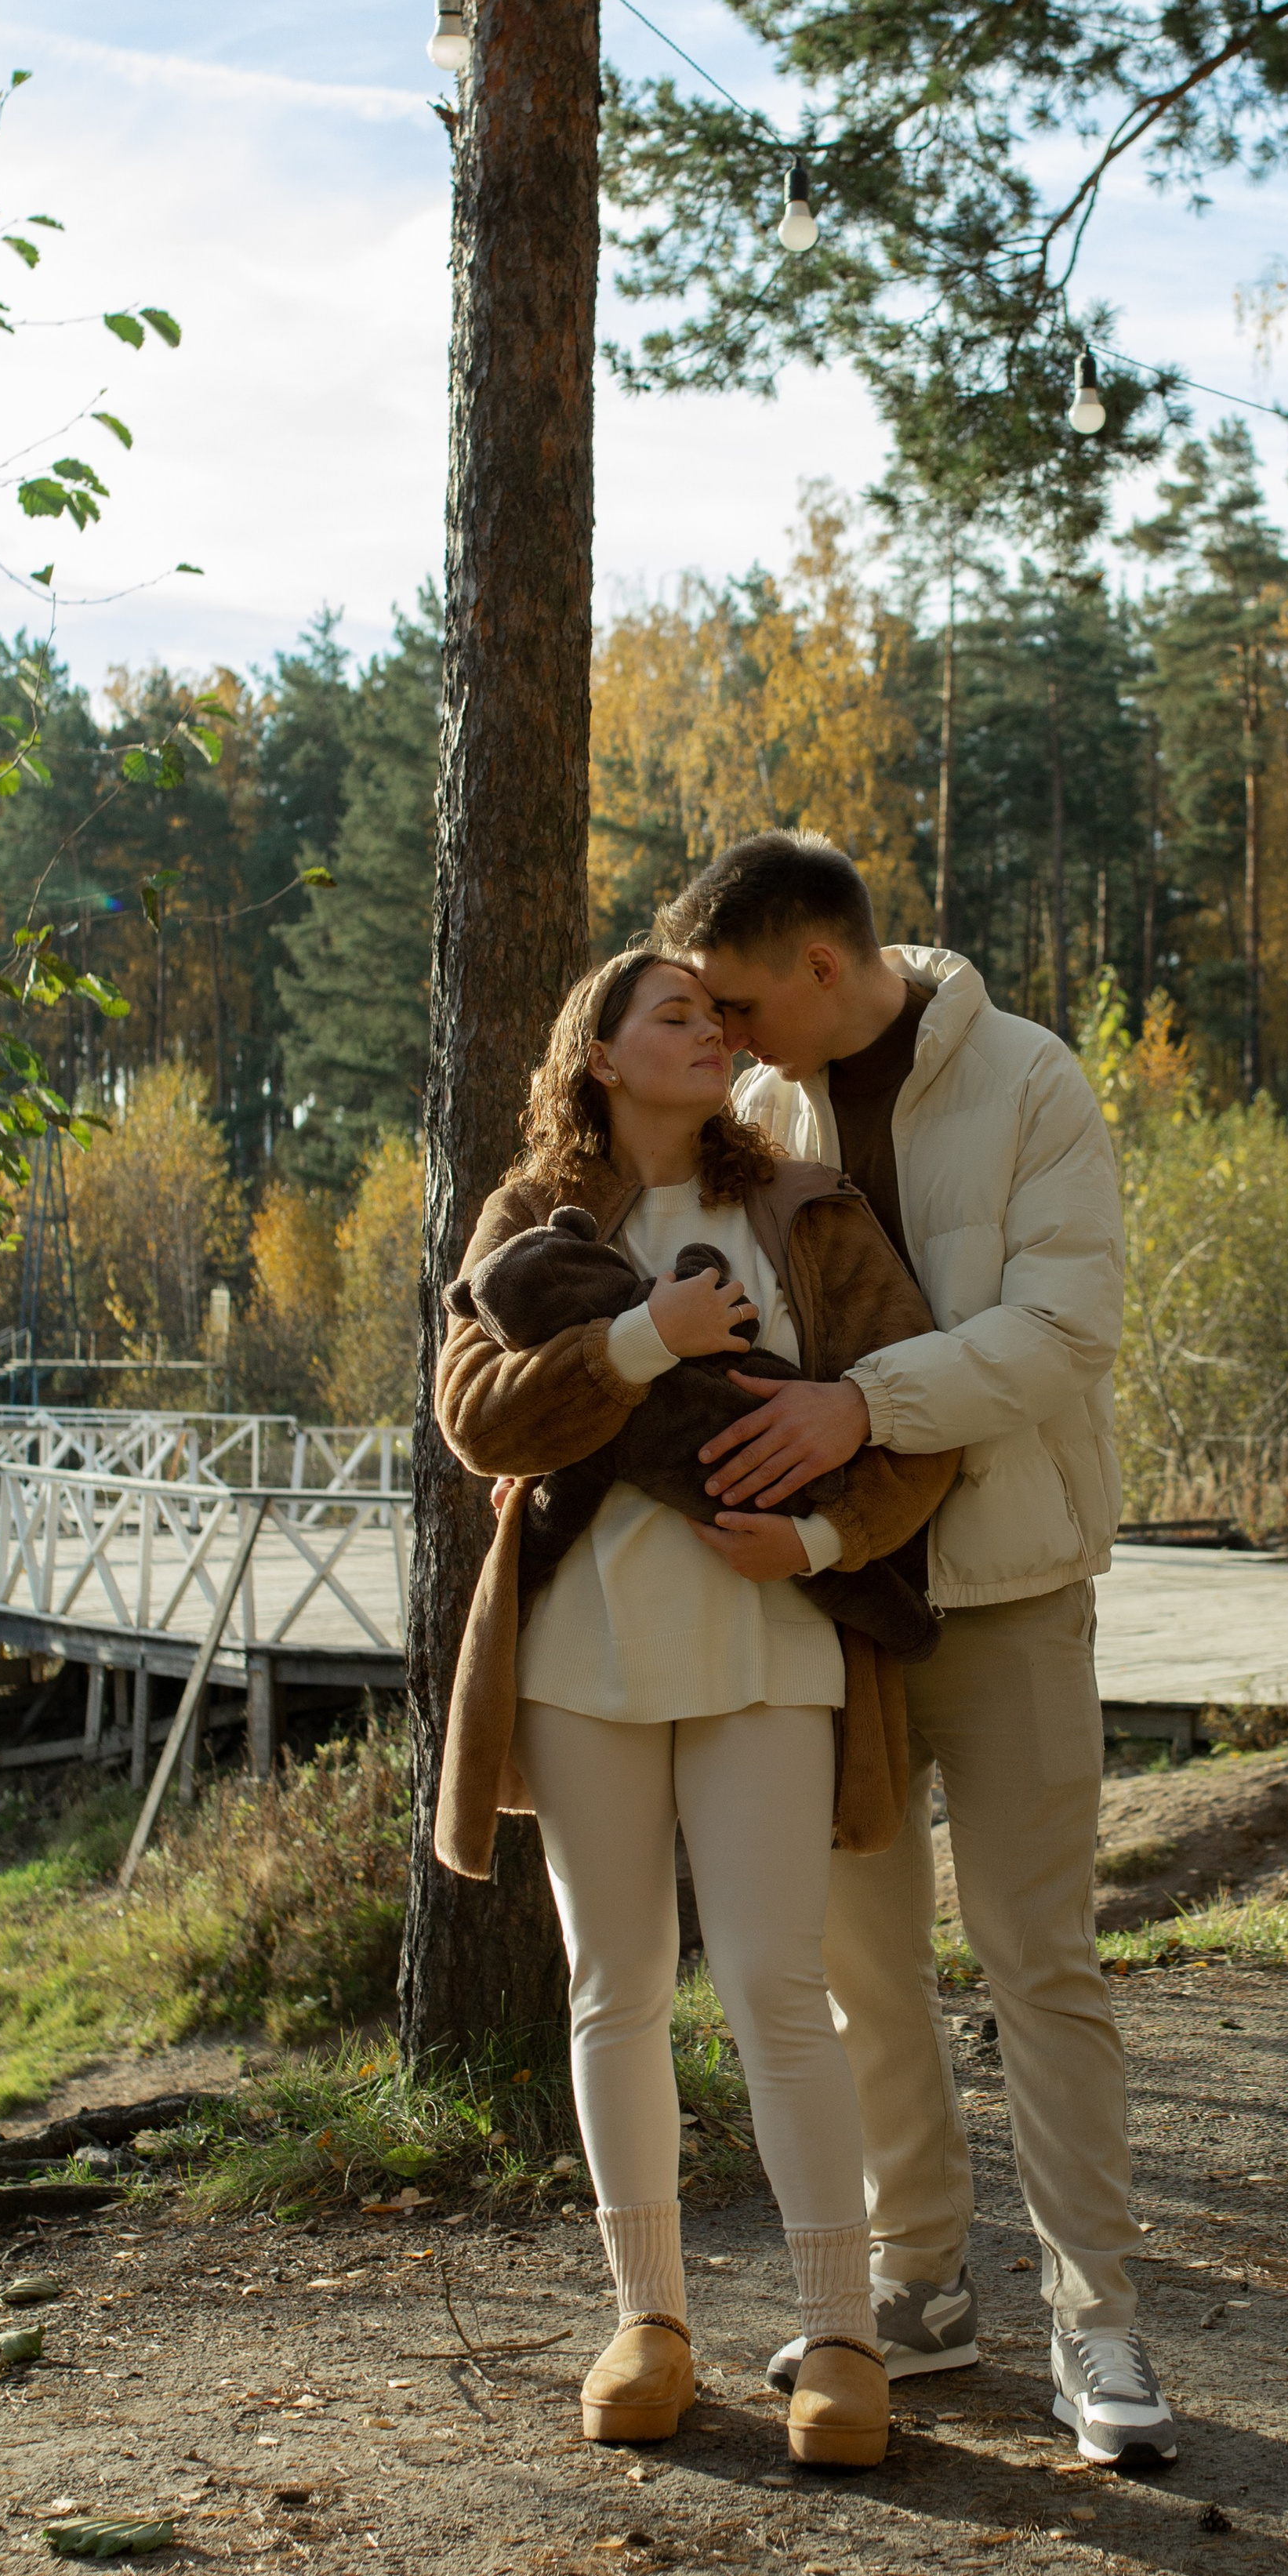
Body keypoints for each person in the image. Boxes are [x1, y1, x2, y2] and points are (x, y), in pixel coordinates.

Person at [656, 831, 1177, 2466]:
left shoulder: (1030, 1084)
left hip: (1011, 1590)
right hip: (833, 1612)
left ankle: (1099, 2331)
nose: (721, 1035)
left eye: (737, 1001)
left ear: (822, 966)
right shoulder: (758, 1121)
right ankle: (921, 2292)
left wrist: (857, 1408)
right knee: (864, 1971)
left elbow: (1063, 1332)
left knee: (1042, 1967)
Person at [430, 948, 957, 2466]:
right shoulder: (529, 1220)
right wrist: (639, 1342)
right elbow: (476, 1420)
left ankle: (839, 2339)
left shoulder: (802, 1206)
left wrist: (816, 1537)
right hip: (580, 1645)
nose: (712, 1034)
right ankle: (645, 2322)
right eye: (675, 1014)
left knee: (780, 1992)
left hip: (769, 1639)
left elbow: (907, 1419)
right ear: (595, 1051)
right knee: (616, 1988)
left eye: (722, 1016)